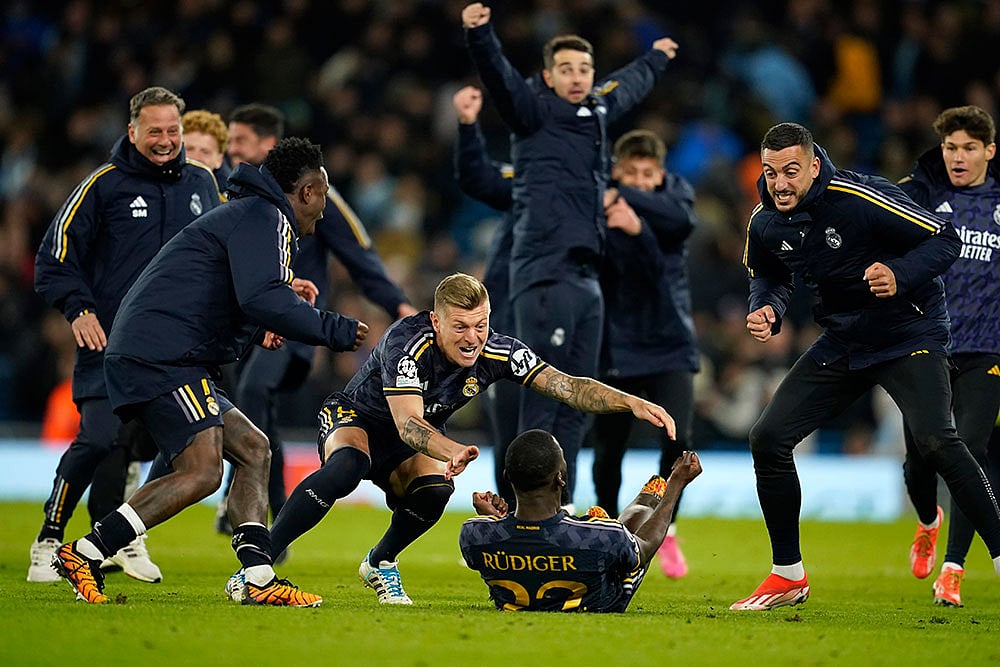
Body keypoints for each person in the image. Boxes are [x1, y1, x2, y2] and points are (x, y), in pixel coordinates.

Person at [49, 137, 369, 606]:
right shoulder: (268, 218)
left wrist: (262, 320)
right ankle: (89, 550)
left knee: (254, 448)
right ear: (307, 192)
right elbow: (260, 298)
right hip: (162, 356)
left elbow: (234, 294)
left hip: (162, 351)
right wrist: (334, 329)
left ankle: (258, 576)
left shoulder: (254, 215)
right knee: (201, 472)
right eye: (323, 195)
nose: (325, 210)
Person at [244, 272, 676, 606]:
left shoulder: (497, 350)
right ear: (436, 321)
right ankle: (257, 571)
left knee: (436, 490)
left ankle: (380, 562)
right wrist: (452, 449)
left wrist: (628, 402)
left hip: (413, 441)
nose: (473, 337)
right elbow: (407, 423)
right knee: (347, 467)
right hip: (357, 418)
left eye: (481, 325)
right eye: (461, 326)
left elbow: (565, 386)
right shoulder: (405, 341)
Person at [734, 121, 1000, 611]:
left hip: (908, 333)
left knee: (937, 441)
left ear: (814, 166)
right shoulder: (765, 221)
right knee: (767, 437)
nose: (781, 183)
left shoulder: (860, 197)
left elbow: (944, 239)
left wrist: (899, 274)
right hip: (845, 339)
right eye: (772, 174)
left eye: (792, 171)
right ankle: (788, 575)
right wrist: (766, 306)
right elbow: (768, 274)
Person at [451, 87, 700, 577]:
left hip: (631, 335)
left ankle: (640, 527)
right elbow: (481, 179)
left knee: (576, 417)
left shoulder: (635, 205)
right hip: (541, 321)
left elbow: (673, 235)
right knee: (543, 428)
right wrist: (467, 126)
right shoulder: (548, 188)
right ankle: (529, 519)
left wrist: (625, 208)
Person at [462, 3, 678, 505]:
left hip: (586, 276)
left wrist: (657, 59)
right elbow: (501, 80)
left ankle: (562, 509)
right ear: (547, 76)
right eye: (566, 69)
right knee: (543, 397)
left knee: (577, 405)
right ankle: (525, 515)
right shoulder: (533, 112)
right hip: (545, 273)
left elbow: (627, 87)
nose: (577, 77)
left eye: (584, 69)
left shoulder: (596, 112)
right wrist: (481, 34)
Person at [28, 86, 222, 585]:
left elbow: (228, 255)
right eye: (154, 131)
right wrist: (79, 308)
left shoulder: (204, 182)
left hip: (179, 351)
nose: (165, 140)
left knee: (153, 448)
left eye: (173, 130)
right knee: (98, 439)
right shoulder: (103, 185)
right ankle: (50, 536)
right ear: (131, 131)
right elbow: (53, 259)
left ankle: (120, 537)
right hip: (108, 343)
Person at [212, 102, 416, 540]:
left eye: (241, 143)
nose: (232, 152)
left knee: (254, 390)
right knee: (254, 408)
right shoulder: (239, 194)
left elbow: (359, 255)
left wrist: (398, 307)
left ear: (268, 146)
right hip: (247, 328)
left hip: (294, 327)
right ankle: (275, 514)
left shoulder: (317, 194)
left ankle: (243, 486)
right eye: (229, 145)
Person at [897, 105, 1000, 607]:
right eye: (951, 148)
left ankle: (954, 570)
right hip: (926, 348)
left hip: (987, 350)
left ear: (989, 152)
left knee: (970, 453)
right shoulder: (924, 196)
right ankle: (926, 520)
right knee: (919, 460)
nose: (959, 157)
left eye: (969, 148)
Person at [590, 129, 700, 579]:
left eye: (646, 174)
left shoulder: (673, 208)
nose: (638, 181)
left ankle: (665, 529)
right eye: (629, 173)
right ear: (616, 169)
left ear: (660, 175)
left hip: (669, 341)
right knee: (608, 447)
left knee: (679, 441)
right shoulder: (602, 214)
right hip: (615, 343)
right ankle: (606, 530)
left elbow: (660, 262)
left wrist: (633, 223)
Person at [460, 429, 702, 612]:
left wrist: (494, 519)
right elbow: (646, 546)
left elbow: (514, 543)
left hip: (522, 591)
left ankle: (642, 502)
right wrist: (676, 485)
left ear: (507, 477)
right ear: (561, 478)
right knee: (628, 533)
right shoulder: (599, 536)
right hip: (601, 598)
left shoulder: (474, 533)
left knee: (609, 536)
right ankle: (651, 496)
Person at [451, 85, 520, 508]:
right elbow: (476, 176)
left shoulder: (588, 186)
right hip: (509, 319)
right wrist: (467, 125)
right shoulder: (523, 181)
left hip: (565, 315)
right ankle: (510, 516)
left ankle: (557, 512)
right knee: (507, 420)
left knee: (556, 418)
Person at [181, 109, 231, 186]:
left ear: (219, 160)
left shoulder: (232, 196)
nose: (196, 158)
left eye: (205, 152)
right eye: (189, 149)